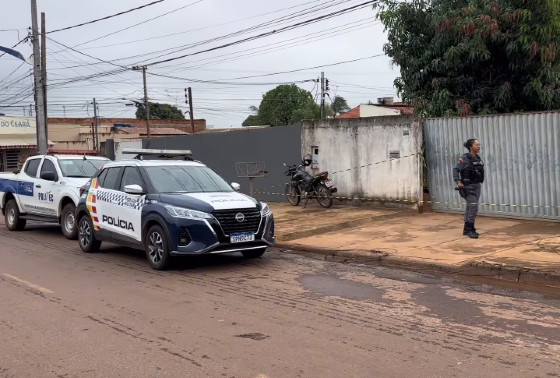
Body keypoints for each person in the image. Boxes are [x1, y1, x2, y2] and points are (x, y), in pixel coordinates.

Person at [453, 139, 484, 239]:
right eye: (477, 145)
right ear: (471, 147)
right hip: (467, 186)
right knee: (473, 206)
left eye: (479, 145)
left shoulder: (478, 158)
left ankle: (466, 228)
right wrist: (458, 182)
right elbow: (455, 169)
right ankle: (471, 229)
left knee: (470, 207)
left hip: (477, 185)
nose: (479, 146)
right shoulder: (464, 158)